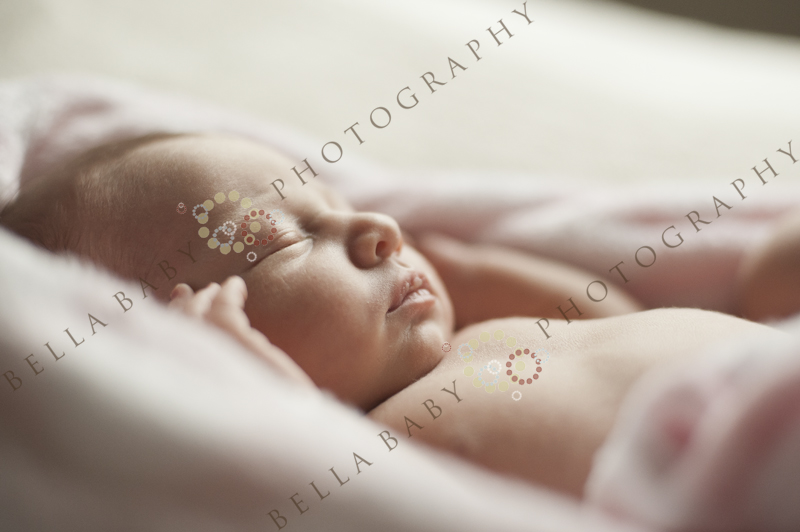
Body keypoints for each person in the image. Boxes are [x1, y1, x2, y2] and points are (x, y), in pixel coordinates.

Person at [0, 132, 789, 496]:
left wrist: (475, 271)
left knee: (773, 268)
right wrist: (252, 391)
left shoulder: (480, 336)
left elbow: (615, 310)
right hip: (723, 479)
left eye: (338, 202)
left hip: (761, 367)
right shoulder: (358, 452)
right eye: (285, 239)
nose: (380, 229)